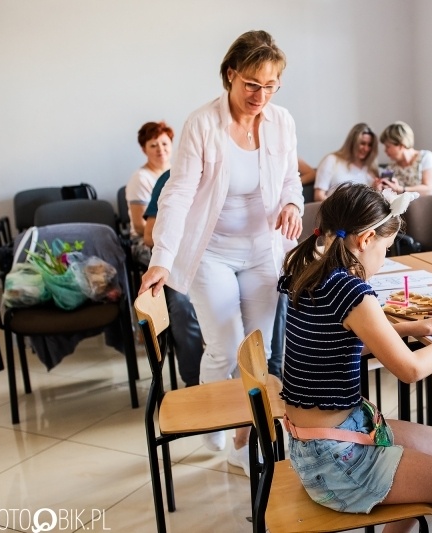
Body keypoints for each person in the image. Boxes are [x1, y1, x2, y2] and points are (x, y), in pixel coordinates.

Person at [278, 183, 432, 532]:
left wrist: (410, 329)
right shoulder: (350, 290)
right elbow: (411, 370)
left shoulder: (307, 272)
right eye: (386, 249)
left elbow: (335, 345)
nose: (384, 259)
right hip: (336, 461)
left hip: (316, 444)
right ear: (366, 240)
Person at [139, 30, 303, 477]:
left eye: (270, 86)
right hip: (211, 252)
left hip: (261, 252)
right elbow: (177, 195)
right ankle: (215, 422)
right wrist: (161, 260)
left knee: (260, 349)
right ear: (231, 75)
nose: (260, 95)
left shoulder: (281, 121)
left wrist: (293, 204)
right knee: (225, 348)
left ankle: (242, 440)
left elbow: (290, 178)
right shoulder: (202, 124)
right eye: (252, 84)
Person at [142, 171, 204, 388]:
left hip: (225, 261)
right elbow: (149, 234)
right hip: (181, 263)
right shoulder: (170, 177)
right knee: (182, 305)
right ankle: (194, 382)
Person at [125, 121, 173, 265]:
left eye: (164, 144)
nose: (160, 149)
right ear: (144, 150)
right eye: (153, 145)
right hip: (144, 240)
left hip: (171, 234)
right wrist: (168, 237)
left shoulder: (178, 173)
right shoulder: (140, 178)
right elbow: (140, 226)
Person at [376, 121, 432, 196]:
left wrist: (401, 190)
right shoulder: (391, 168)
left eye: (388, 146)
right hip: (419, 207)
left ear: (401, 144)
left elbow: (429, 189)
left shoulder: (426, 157)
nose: (385, 150)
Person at [313, 123, 378, 201]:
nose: (366, 149)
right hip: (335, 210)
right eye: (362, 143)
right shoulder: (332, 160)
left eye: (369, 145)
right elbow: (318, 196)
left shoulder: (372, 168)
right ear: (352, 142)